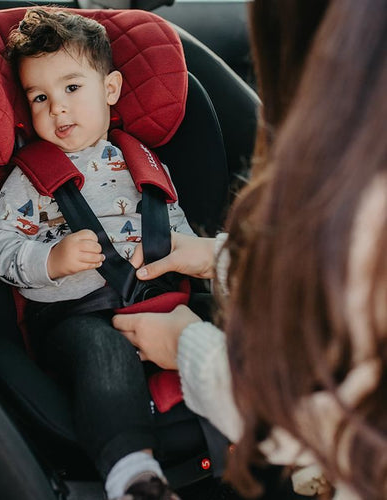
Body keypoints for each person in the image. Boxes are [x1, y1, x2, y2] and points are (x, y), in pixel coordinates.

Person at [114, 0, 387, 498]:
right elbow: (329, 297)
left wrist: (189, 351)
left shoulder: (369, 203)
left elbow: (321, 418)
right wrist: (220, 259)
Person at [0, 7, 196, 500]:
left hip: (153, 298)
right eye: (40, 97)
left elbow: (173, 217)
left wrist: (179, 255)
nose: (57, 109)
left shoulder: (140, 159)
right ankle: (133, 476)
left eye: (71, 88)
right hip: (76, 317)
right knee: (105, 355)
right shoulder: (31, 178)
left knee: (212, 324)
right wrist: (51, 259)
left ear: (111, 89)